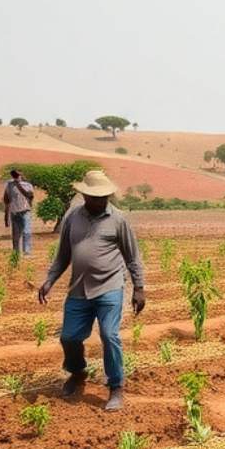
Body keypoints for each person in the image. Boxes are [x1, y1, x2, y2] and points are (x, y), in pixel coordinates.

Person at [38, 170, 146, 411]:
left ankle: (116, 387)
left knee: (109, 335)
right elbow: (63, 255)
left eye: (105, 196)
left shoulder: (118, 219)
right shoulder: (72, 218)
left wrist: (139, 288)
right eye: (96, 197)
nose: (101, 201)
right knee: (69, 337)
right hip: (78, 289)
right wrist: (49, 281)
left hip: (109, 287)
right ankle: (78, 373)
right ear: (85, 196)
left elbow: (133, 256)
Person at [2, 169, 35, 257]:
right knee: (16, 233)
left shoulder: (28, 185)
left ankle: (27, 252)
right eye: (15, 175)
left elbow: (31, 196)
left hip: (25, 210)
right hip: (14, 211)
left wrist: (20, 186)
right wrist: (6, 216)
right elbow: (6, 200)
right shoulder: (9, 185)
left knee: (27, 231)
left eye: (18, 175)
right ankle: (16, 253)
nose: (17, 176)